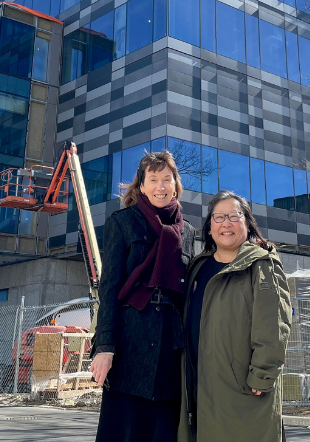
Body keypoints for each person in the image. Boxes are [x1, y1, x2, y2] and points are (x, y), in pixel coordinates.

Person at [91, 150, 196, 442]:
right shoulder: (122, 222)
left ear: (176, 184)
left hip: (171, 346)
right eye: (153, 179)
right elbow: (110, 288)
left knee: (164, 430)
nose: (160, 186)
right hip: (129, 342)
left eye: (167, 179)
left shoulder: (187, 231)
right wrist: (105, 346)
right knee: (124, 429)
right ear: (141, 186)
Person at [179, 191, 291, 442]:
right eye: (218, 217)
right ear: (209, 228)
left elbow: (275, 326)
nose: (226, 223)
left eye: (234, 216)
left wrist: (262, 376)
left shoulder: (262, 264)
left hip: (244, 390)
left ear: (247, 223)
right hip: (199, 386)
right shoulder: (199, 266)